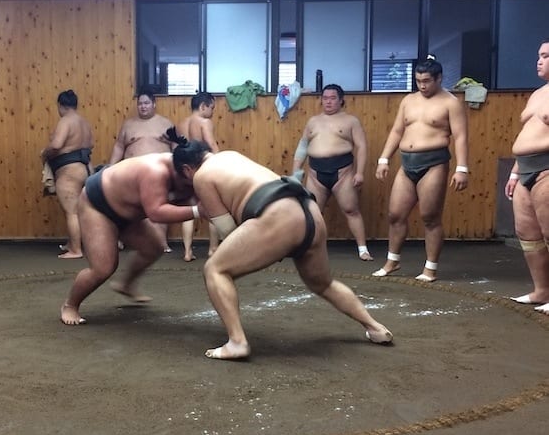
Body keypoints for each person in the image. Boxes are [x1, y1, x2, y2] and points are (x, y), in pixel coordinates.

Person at [173, 141, 393, 360]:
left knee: (215, 269)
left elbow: (227, 229)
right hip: (309, 210)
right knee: (323, 283)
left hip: (278, 215)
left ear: (187, 169)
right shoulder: (230, 154)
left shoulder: (202, 176)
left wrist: (266, 248)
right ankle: (375, 328)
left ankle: (237, 342)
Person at [60, 152, 200, 325]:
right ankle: (70, 305)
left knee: (153, 247)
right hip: (98, 205)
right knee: (103, 268)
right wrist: (198, 211)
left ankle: (125, 285)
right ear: (186, 170)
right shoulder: (155, 171)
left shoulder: (192, 174)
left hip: (127, 212)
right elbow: (156, 213)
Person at [373, 55, 469, 282]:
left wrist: (462, 168)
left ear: (439, 78)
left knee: (430, 217)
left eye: (427, 80)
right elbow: (397, 131)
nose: (422, 85)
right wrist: (384, 159)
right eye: (418, 81)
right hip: (407, 162)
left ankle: (430, 267)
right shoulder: (408, 101)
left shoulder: (450, 103)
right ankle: (392, 261)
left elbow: (461, 136)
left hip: (434, 162)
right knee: (395, 214)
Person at [292, 83, 373, 261]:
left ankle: (362, 249)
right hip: (315, 173)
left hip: (343, 172)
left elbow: (361, 146)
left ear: (341, 100)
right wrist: (295, 172)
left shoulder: (351, 121)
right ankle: (308, 248)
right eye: (325, 98)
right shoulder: (313, 121)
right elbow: (303, 146)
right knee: (312, 212)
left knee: (351, 210)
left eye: (332, 98)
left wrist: (360, 172)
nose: (328, 102)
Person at [505, 39, 549, 316]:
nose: (539, 60)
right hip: (525, 168)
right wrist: (514, 171)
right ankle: (541, 290)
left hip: (547, 166)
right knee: (528, 234)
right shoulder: (538, 94)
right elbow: (527, 134)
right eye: (539, 55)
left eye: (546, 56)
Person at [109, 89, 175, 252]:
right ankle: (124, 239)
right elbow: (119, 146)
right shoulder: (128, 125)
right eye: (140, 104)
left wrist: (177, 169)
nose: (143, 107)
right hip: (132, 174)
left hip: (158, 173)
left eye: (146, 103)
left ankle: (161, 243)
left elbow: (176, 147)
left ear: (154, 104)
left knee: (159, 207)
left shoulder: (166, 124)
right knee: (128, 207)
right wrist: (111, 167)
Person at [41, 89, 94, 259]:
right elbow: (90, 144)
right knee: (80, 210)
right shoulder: (84, 122)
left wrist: (45, 152)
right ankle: (73, 243)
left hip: (69, 171)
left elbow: (56, 145)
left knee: (71, 212)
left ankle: (76, 250)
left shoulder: (66, 121)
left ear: (60, 106)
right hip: (86, 168)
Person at [175, 92, 220, 261]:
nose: (212, 112)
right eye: (211, 108)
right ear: (203, 106)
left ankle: (187, 252)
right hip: (203, 167)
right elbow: (211, 144)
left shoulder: (181, 124)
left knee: (189, 209)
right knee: (213, 206)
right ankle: (213, 249)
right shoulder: (204, 122)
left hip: (185, 169)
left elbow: (178, 149)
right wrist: (222, 161)